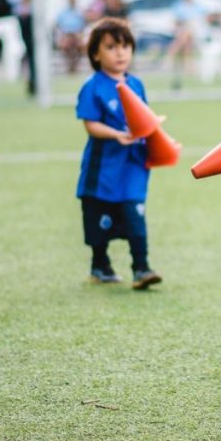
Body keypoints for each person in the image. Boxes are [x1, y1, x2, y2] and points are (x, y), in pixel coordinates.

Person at [75, 17, 162, 290]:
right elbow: (90, 125)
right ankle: (100, 264)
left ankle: (141, 268)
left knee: (135, 214)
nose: (120, 52)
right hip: (103, 171)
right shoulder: (93, 87)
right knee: (99, 221)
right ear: (96, 54)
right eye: (111, 47)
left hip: (133, 167)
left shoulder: (136, 84)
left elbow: (144, 120)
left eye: (125, 46)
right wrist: (116, 134)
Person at [4, 0, 35, 96]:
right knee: (28, 50)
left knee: (38, 50)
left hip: (36, 17)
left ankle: (39, 80)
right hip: (23, 17)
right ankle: (32, 81)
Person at [166, 0, 206, 90]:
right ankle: (188, 66)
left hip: (194, 31)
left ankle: (171, 54)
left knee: (185, 36)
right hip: (183, 31)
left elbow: (202, 19)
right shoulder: (179, 6)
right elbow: (176, 21)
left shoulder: (197, 6)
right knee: (186, 39)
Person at [55, 0, 86, 74]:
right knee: (65, 46)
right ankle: (70, 64)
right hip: (66, 34)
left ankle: (74, 64)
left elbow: (83, 26)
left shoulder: (79, 12)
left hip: (77, 34)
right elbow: (59, 25)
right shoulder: (63, 13)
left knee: (82, 47)